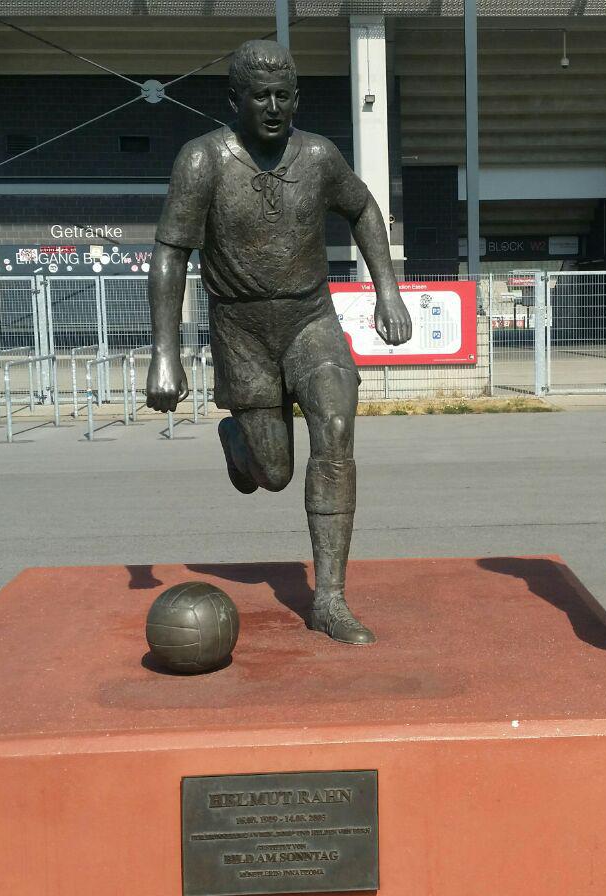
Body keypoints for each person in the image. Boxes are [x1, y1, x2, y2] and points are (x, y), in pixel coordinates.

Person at [146, 39, 411, 646]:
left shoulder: (318, 156)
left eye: (284, 96)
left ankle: (331, 597)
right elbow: (169, 256)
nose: (273, 107)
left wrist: (387, 291)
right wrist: (164, 352)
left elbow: (365, 208)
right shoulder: (202, 160)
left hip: (311, 320)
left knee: (337, 434)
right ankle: (237, 438)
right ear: (234, 99)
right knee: (273, 473)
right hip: (241, 329)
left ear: (297, 98)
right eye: (260, 96)